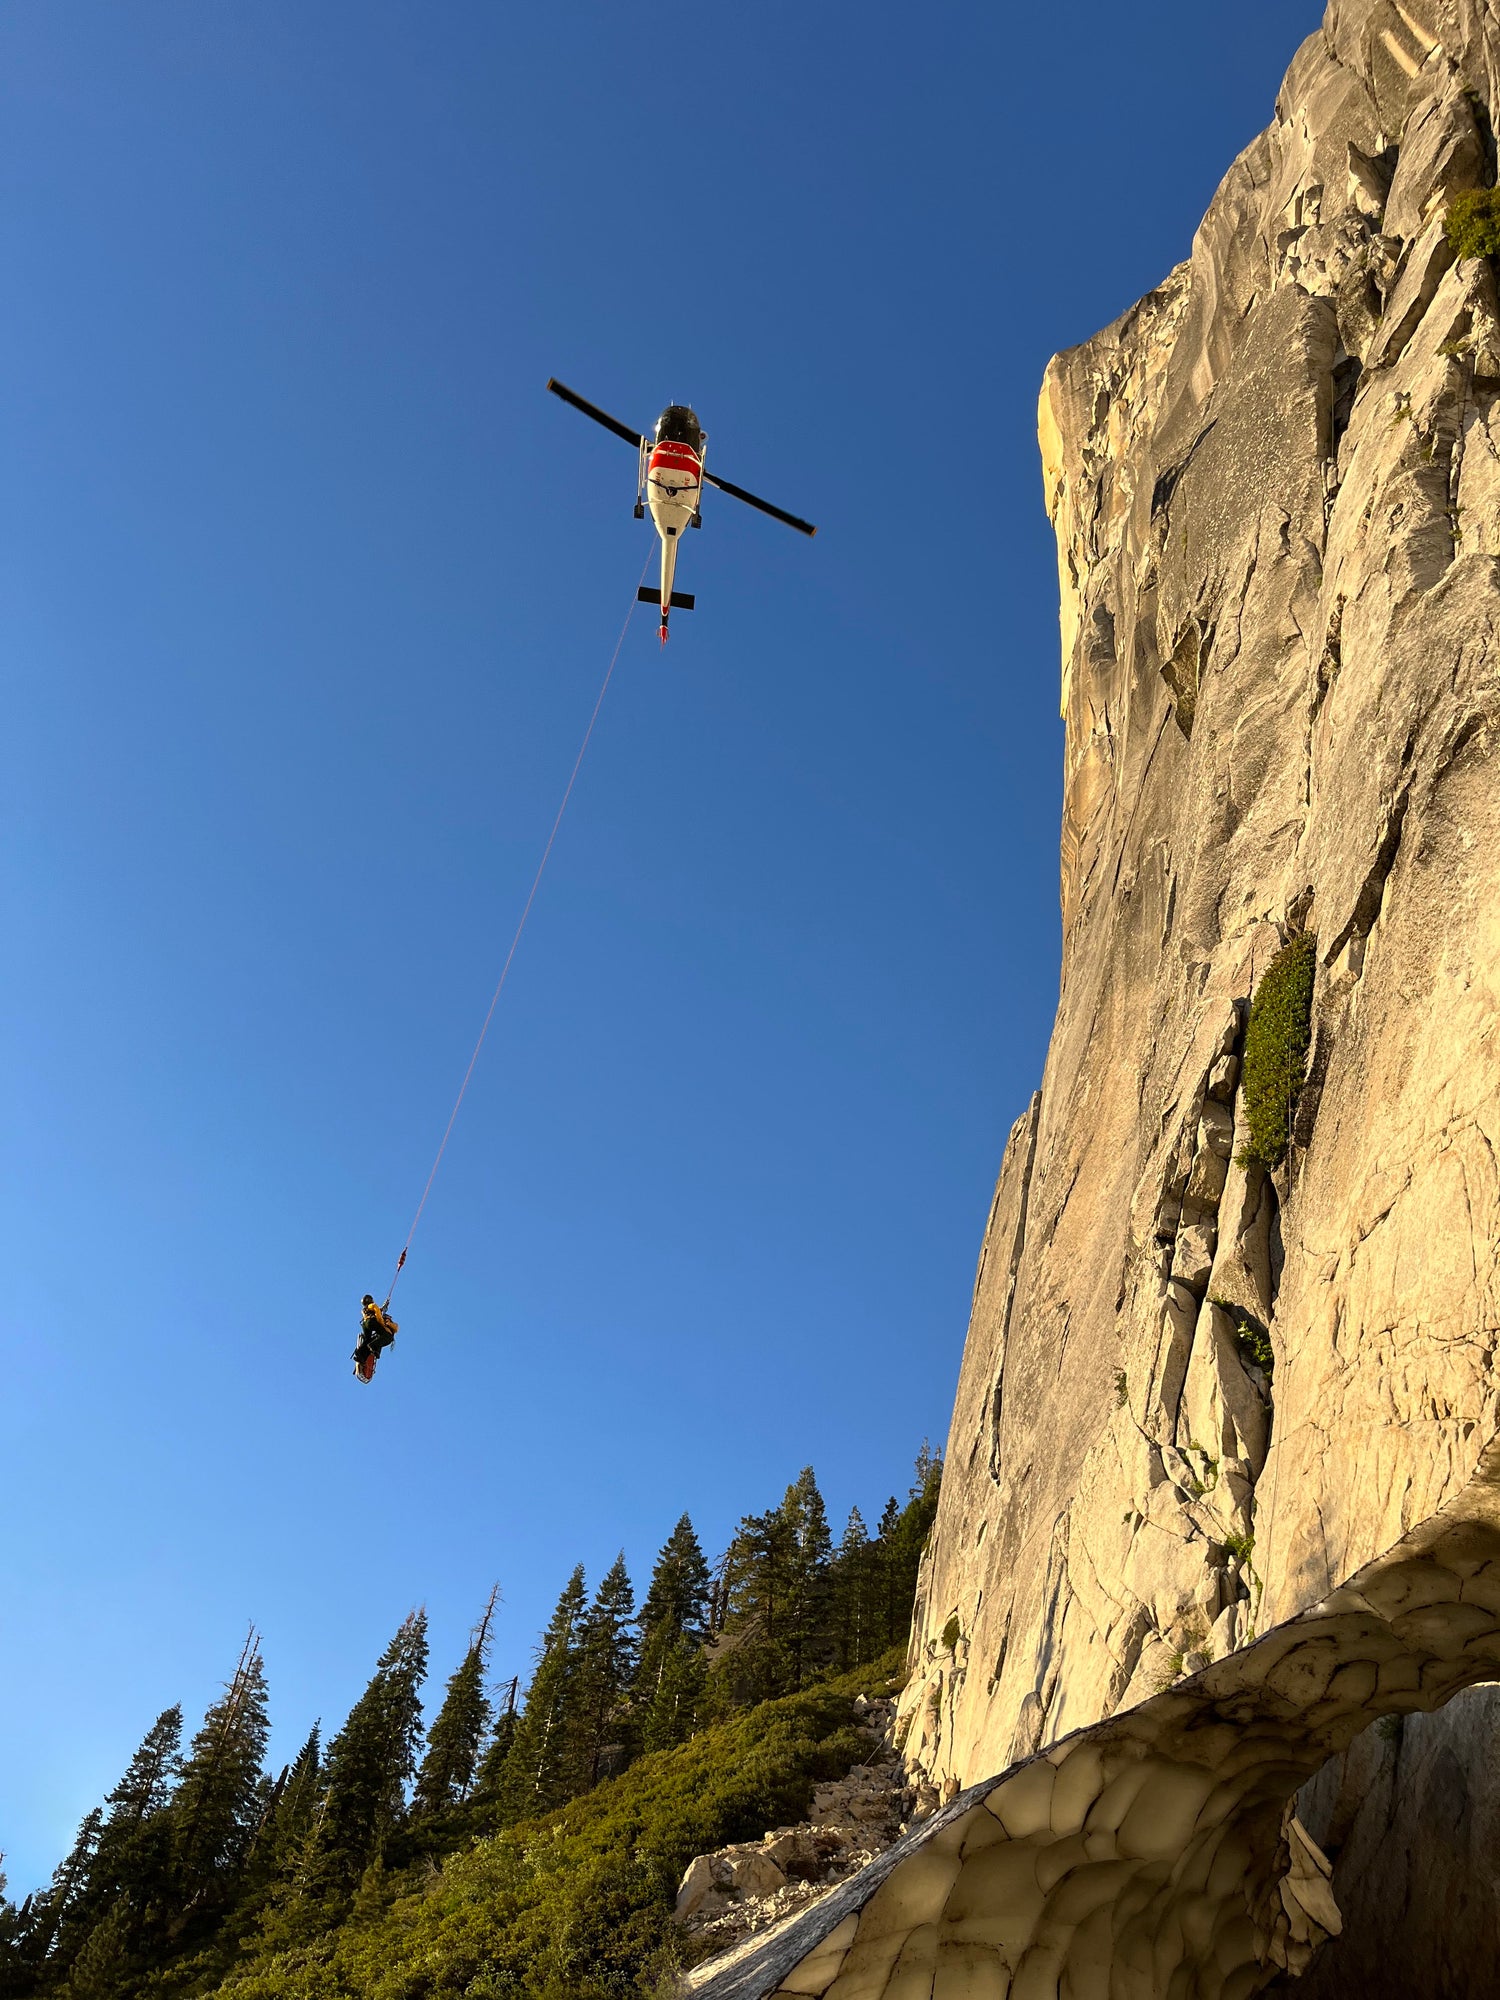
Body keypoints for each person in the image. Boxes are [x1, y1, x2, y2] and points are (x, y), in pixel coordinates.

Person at [353, 1294, 398, 1381]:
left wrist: (384, 1308)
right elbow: (378, 1315)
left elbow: (379, 1311)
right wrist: (382, 1323)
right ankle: (373, 1347)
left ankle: (360, 1354)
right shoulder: (373, 1306)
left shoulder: (365, 1309)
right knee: (386, 1337)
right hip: (372, 1323)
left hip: (365, 1324)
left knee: (368, 1340)